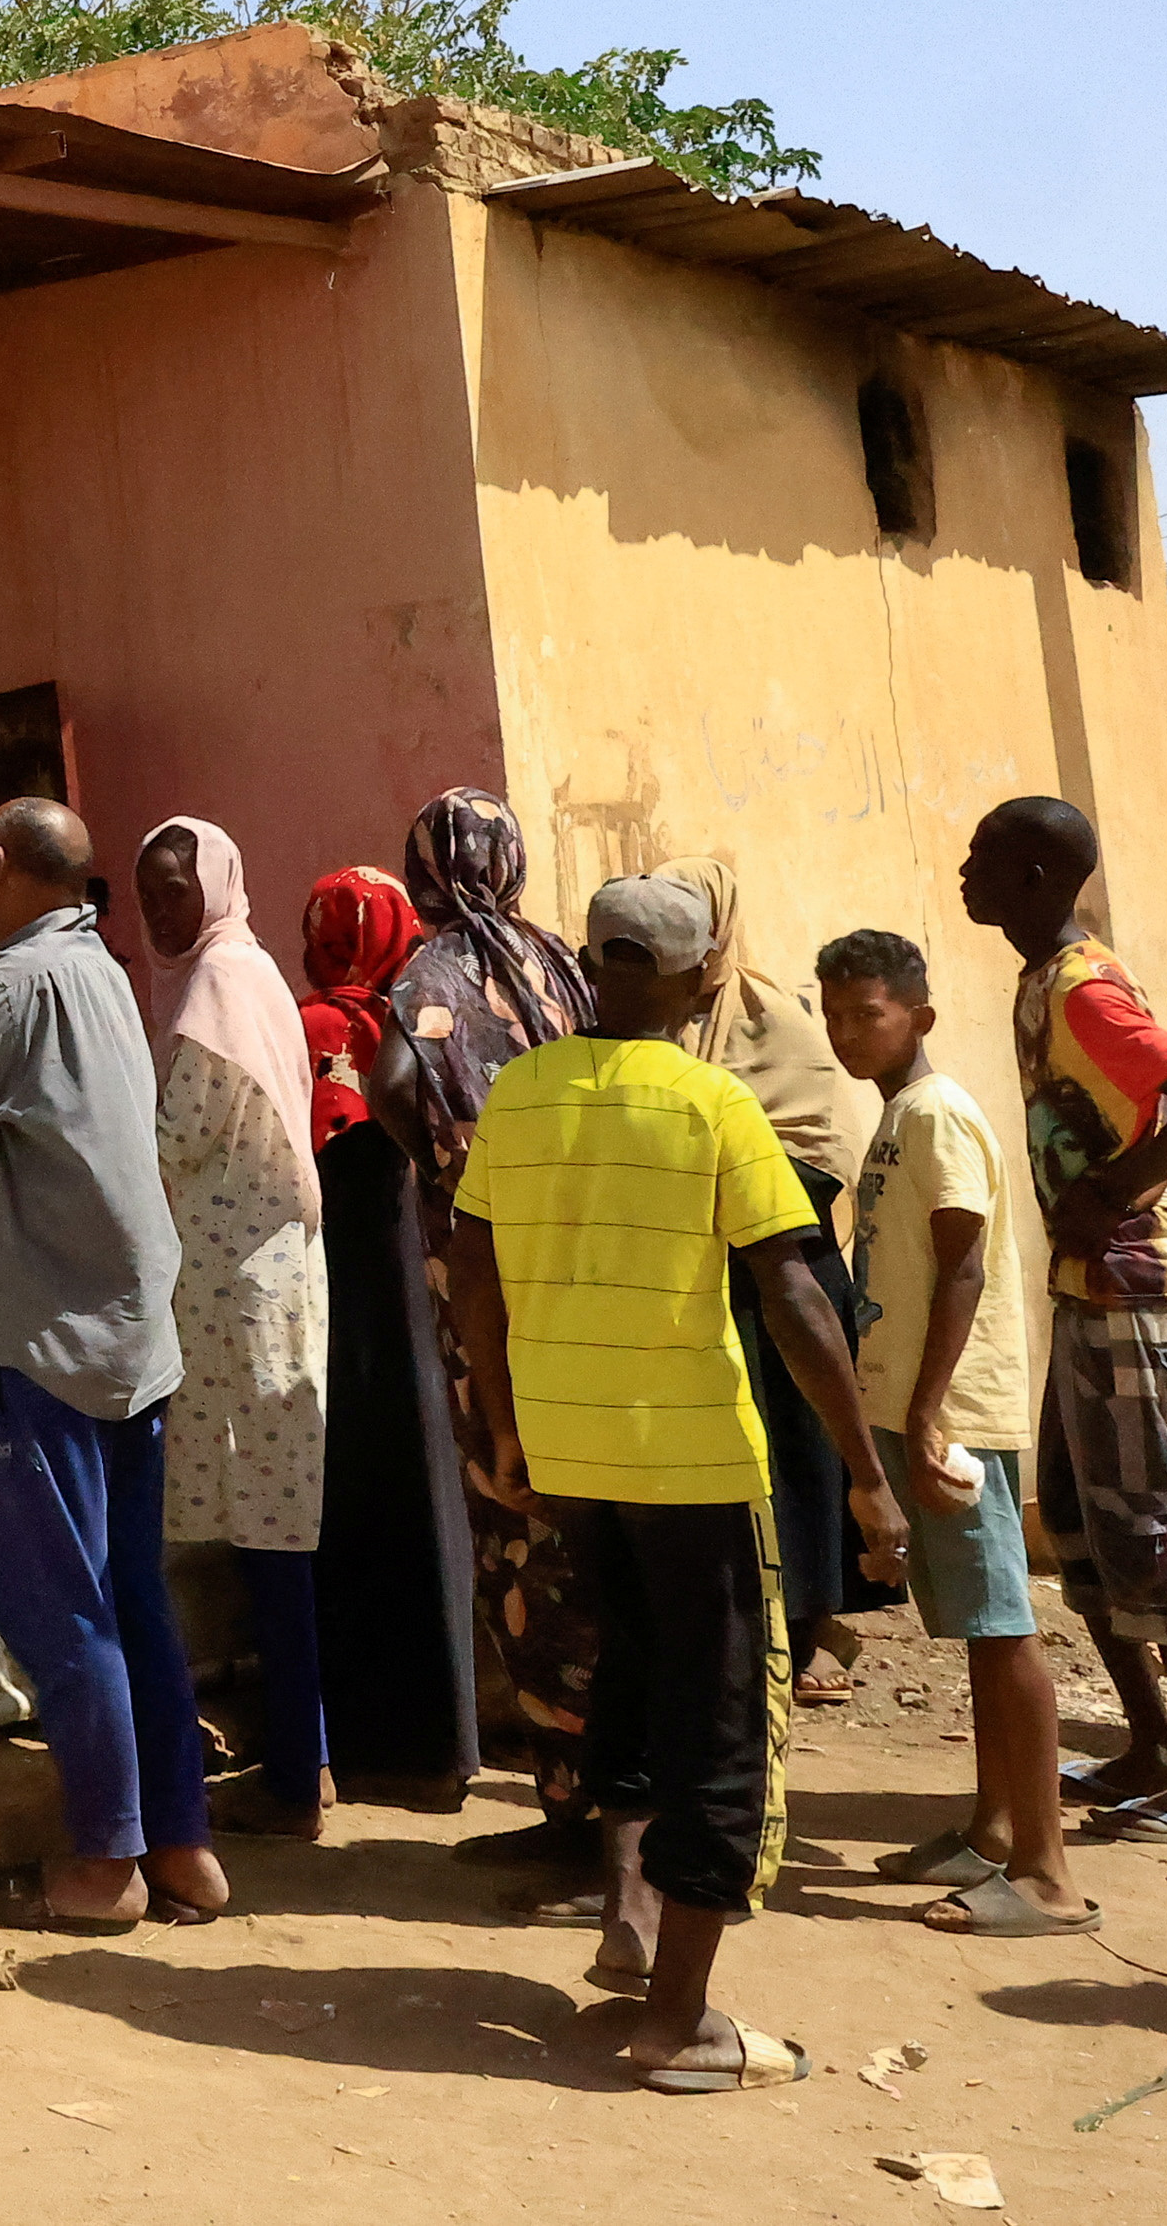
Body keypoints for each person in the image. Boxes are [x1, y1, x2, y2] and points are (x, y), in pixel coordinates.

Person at [445, 875, 902, 2092]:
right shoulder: (712, 1104)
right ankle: (679, 2020)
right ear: (703, 978)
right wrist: (867, 1476)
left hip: (575, 1459)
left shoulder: (517, 1093)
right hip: (693, 1463)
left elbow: (473, 1270)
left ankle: (631, 1917)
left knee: (633, 1686)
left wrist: (502, 1425)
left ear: (596, 962)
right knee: (723, 1727)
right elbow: (796, 1295)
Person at [0, 798, 221, 1929]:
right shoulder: (90, 969)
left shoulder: (15, 982)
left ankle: (106, 1862)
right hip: (128, 1334)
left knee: (57, 1607)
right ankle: (179, 1840)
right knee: (134, 1597)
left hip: (47, 1340)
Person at [961, 796, 1167, 1846]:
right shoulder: (1044, 979)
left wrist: (1119, 1188)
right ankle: (1153, 1747)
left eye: (983, 861)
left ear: (1037, 877)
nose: (964, 874)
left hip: (1138, 1288)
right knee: (1084, 1526)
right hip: (1092, 1286)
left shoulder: (1083, 990)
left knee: (1153, 1530)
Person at [814, 930, 1085, 1940]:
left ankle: (1049, 1871)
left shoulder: (937, 1115)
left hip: (954, 1412)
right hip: (913, 1403)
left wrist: (927, 1412)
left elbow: (962, 1264)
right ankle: (991, 1826)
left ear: (918, 1016)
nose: (848, 1033)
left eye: (867, 1014)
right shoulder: (897, 1117)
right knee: (973, 1623)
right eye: (834, 1015)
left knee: (1002, 1619)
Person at [384, 787, 594, 1850]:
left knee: (513, 1524)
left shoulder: (428, 974)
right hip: (581, 1260)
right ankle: (612, 1794)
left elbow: (388, 1075)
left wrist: (434, 1152)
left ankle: (569, 1802)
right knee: (585, 1519)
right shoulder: (561, 962)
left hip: (478, 1261)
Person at [137, 814, 334, 1838]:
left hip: (242, 1289)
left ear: (216, 880)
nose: (163, 905)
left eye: (176, 884)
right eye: (148, 889)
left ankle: (297, 1777)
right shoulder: (239, 973)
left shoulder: (217, 986)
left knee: (268, 1534)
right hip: (255, 1278)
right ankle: (312, 1758)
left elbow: (173, 1133)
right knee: (269, 1524)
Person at [667, 851, 879, 1712]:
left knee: (798, 1455)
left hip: (781, 1266)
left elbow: (821, 1150)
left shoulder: (781, 1022)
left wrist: (735, 1198)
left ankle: (813, 1621)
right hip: (690, 1274)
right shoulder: (644, 1021)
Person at [293, 862, 480, 1811]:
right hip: (422, 1270)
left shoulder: (320, 1025)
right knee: (428, 1486)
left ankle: (376, 1742)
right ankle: (448, 1741)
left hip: (345, 1285)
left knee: (360, 1496)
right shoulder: (429, 1011)